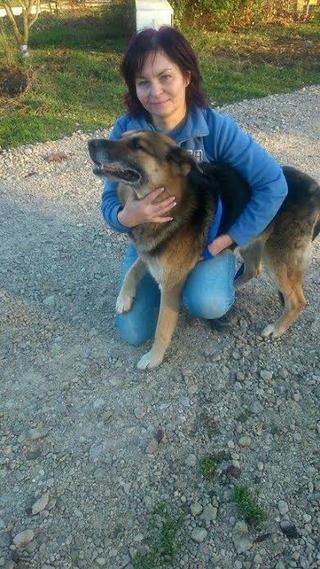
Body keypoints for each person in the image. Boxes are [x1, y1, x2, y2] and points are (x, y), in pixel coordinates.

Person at [101, 26, 288, 345]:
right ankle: (167, 280)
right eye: (143, 82)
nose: (155, 91)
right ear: (134, 87)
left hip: (204, 239)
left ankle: (214, 284)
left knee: (207, 303)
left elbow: (273, 184)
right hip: (152, 241)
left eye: (165, 77)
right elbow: (108, 200)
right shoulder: (127, 131)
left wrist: (228, 240)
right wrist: (125, 218)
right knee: (133, 332)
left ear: (186, 76)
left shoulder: (215, 129)